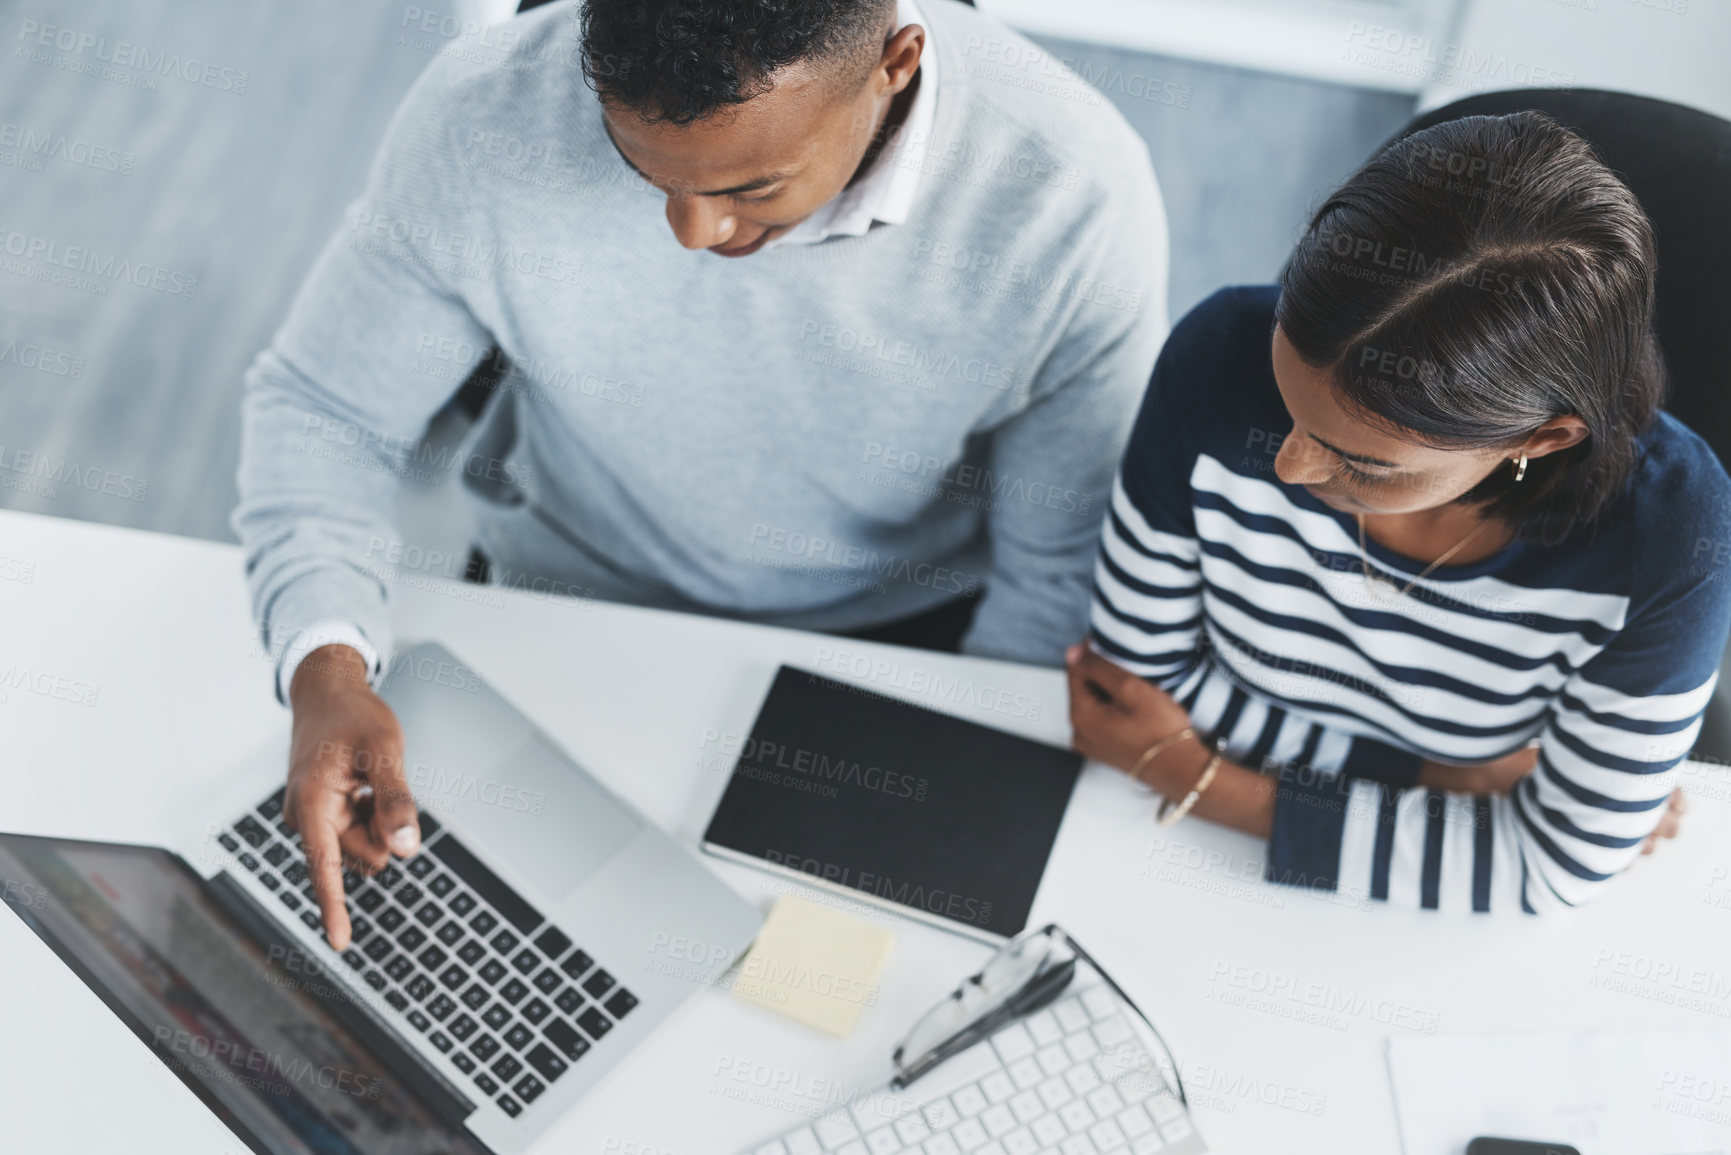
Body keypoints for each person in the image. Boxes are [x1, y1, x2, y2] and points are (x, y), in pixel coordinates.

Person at [234, 0, 1168, 946]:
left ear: (894, 63)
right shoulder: (486, 113)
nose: (691, 231)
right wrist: (323, 660)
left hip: (891, 639)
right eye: (641, 169)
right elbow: (327, 410)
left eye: (754, 187)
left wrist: (938, 795)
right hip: (564, 586)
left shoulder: (1069, 199)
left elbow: (1055, 571)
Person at [1068, 111, 1731, 913]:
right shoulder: (1217, 355)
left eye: (1364, 462)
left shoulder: (1674, 534)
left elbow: (1550, 869)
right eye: (1289, 407)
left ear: (1542, 437)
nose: (1288, 465)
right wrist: (1447, 780)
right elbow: (1128, 687)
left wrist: (1197, 777)